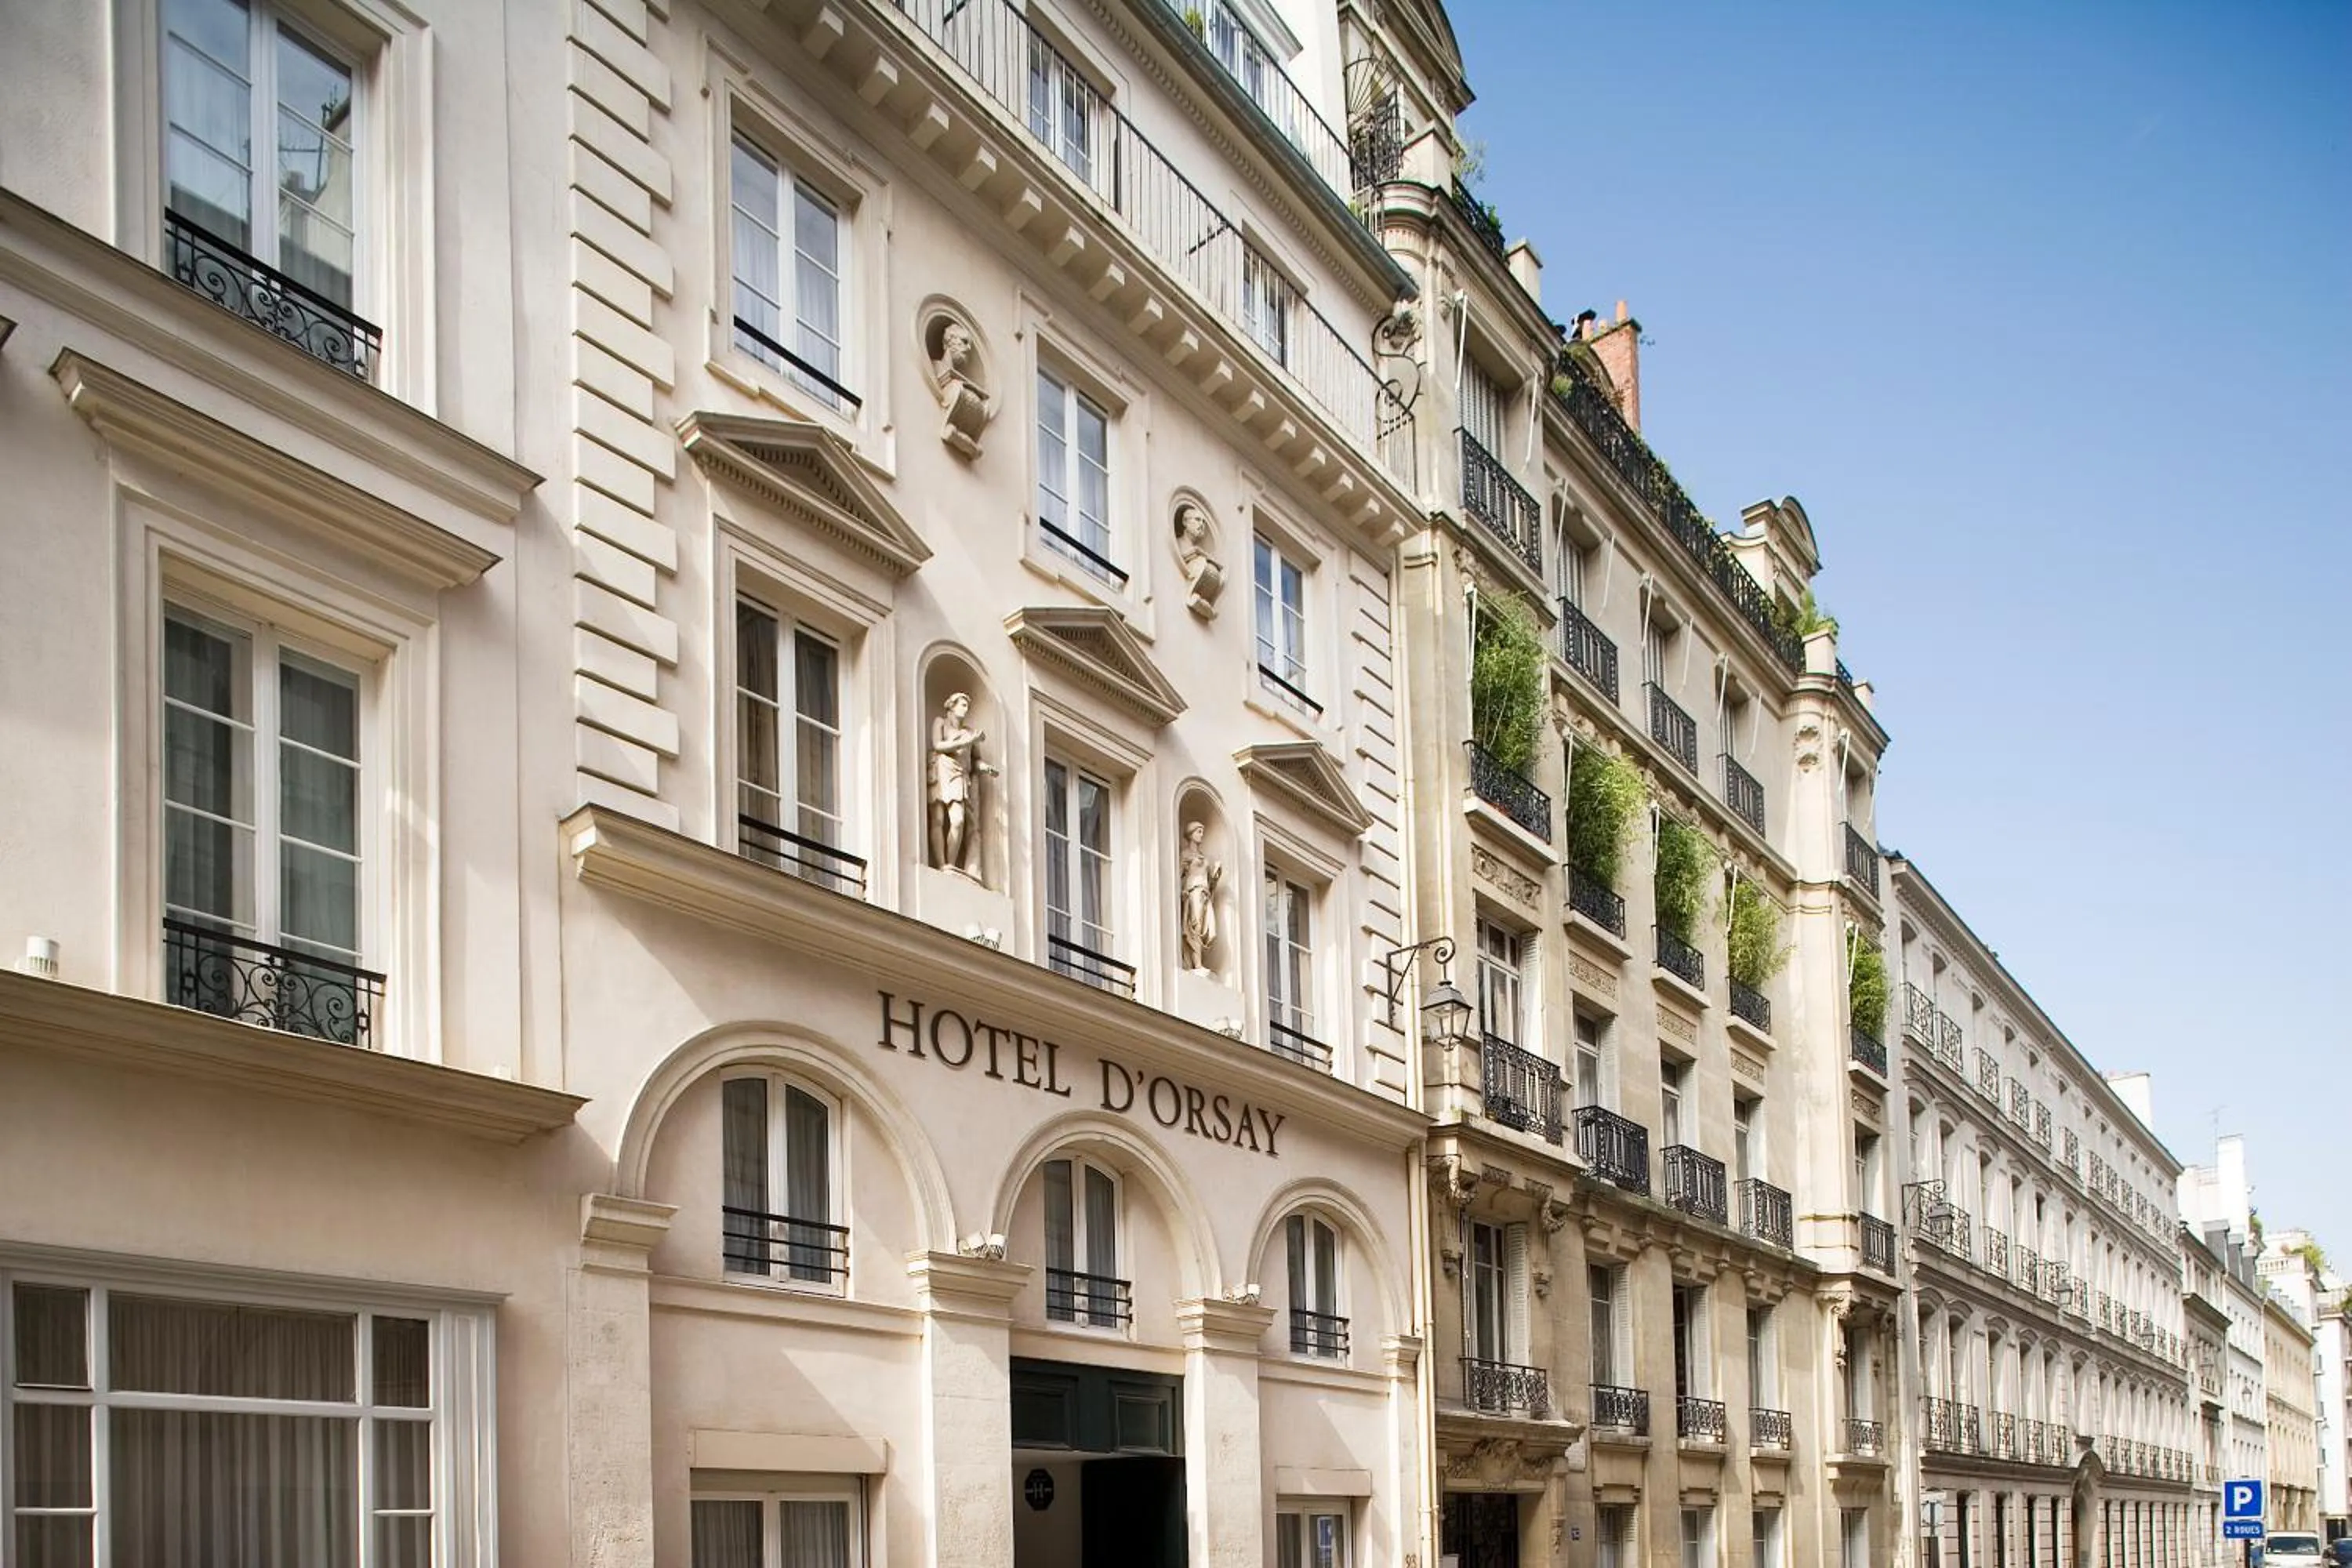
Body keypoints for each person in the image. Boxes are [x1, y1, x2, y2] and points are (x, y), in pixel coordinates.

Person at [928, 693, 995, 878]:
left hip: (960, 775)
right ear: (952, 706)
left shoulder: (968, 732)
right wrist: (969, 741)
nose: (966, 709)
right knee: (938, 819)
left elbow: (976, 760)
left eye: (967, 706)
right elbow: (937, 745)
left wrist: (986, 768)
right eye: (963, 705)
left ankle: (950, 863)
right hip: (942, 768)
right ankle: (942, 864)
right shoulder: (940, 722)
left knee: (957, 821)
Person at [1178, 820, 1221, 971]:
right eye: (1199, 832)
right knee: (1195, 927)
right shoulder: (1185, 854)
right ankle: (1197, 964)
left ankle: (1199, 963)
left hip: (1205, 893)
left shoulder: (1204, 857)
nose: (1202, 835)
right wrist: (1181, 890)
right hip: (1193, 891)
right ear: (1191, 835)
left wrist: (1215, 875)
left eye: (1202, 832)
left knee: (1209, 929)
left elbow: (1211, 883)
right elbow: (1180, 875)